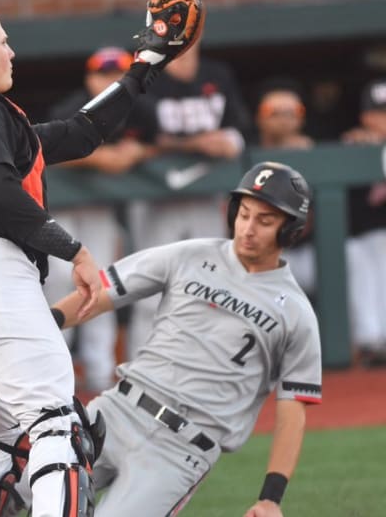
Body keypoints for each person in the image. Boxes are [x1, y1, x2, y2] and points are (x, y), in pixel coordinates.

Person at [0, 0, 200, 517]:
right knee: (59, 425)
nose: (11, 51)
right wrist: (76, 250)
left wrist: (146, 66)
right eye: (2, 41)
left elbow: (81, 132)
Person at [50, 161, 322, 517]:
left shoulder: (296, 314)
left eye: (265, 221)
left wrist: (271, 497)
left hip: (180, 451)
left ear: (290, 231)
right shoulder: (189, 255)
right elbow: (101, 294)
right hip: (115, 412)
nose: (248, 228)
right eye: (244, 214)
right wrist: (43, 324)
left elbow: (292, 410)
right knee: (13, 486)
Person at [124, 37, 253, 361]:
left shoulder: (217, 74)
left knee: (209, 284)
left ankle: (203, 364)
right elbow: (134, 142)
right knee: (149, 285)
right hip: (154, 195)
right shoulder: (145, 76)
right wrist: (195, 143)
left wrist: (229, 142)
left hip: (205, 194)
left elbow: (240, 130)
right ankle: (144, 366)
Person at [43, 46, 148, 392]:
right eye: (101, 73)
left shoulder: (137, 107)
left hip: (102, 207)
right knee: (59, 280)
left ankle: (100, 371)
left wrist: (142, 152)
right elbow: (44, 151)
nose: (108, 79)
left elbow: (159, 141)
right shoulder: (70, 106)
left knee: (101, 283)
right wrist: (98, 157)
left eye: (115, 72)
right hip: (64, 204)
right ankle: (53, 367)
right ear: (90, 77)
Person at [253, 80, 316, 296]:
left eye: (292, 111)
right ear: (258, 117)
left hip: (306, 254)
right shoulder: (244, 156)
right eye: (274, 112)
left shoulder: (313, 155)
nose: (284, 119)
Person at [341, 78, 386, 367]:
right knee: (358, 250)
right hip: (364, 242)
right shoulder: (352, 147)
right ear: (366, 117)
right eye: (380, 113)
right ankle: (371, 342)